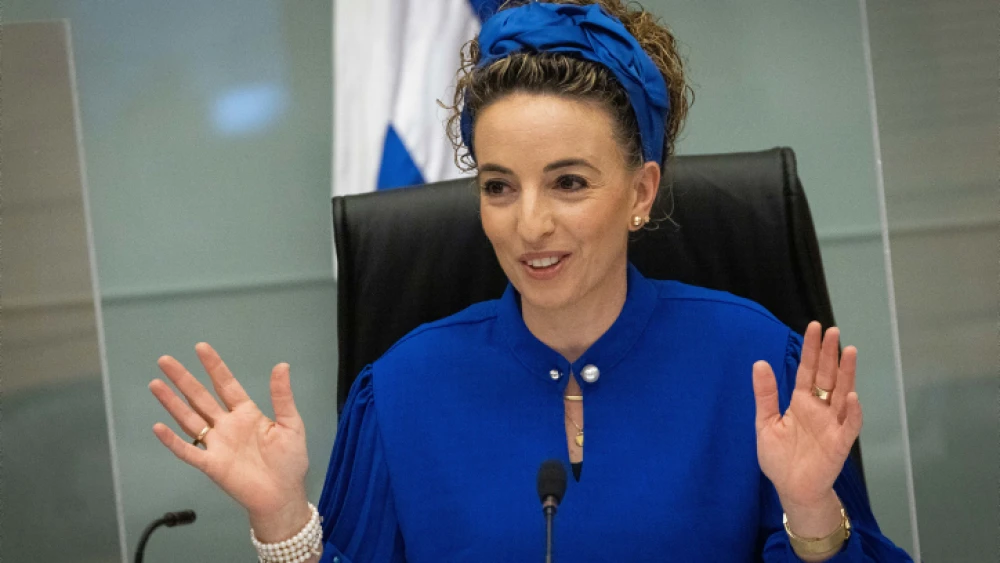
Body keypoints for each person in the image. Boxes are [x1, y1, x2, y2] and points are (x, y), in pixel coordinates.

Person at [148, 1, 915, 561]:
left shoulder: (755, 362)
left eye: (570, 182)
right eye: (499, 186)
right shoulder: (404, 388)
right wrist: (284, 517)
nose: (529, 225)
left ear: (641, 193)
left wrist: (812, 510)